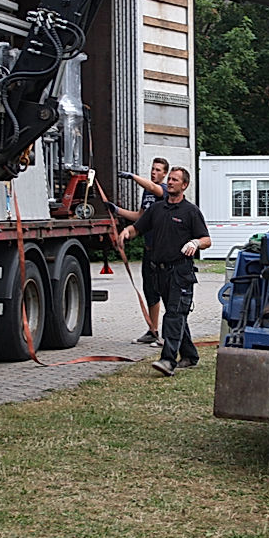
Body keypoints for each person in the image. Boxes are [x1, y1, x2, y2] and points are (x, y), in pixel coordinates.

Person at [117, 166, 211, 377]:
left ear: (184, 185)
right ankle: (189, 355)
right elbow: (138, 227)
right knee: (176, 315)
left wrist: (195, 242)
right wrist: (126, 233)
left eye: (175, 180)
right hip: (159, 272)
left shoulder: (191, 212)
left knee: (174, 315)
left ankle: (168, 360)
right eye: (169, 179)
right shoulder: (157, 209)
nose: (170, 183)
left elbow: (207, 240)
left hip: (180, 272)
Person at [111, 159, 169, 344]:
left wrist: (132, 176)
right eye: (152, 169)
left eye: (158, 170)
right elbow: (140, 218)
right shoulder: (147, 193)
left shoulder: (164, 191)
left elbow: (154, 187)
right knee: (149, 290)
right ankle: (153, 331)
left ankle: (170, 335)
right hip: (149, 248)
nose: (154, 172)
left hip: (163, 252)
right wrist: (117, 210)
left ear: (165, 174)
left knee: (165, 292)